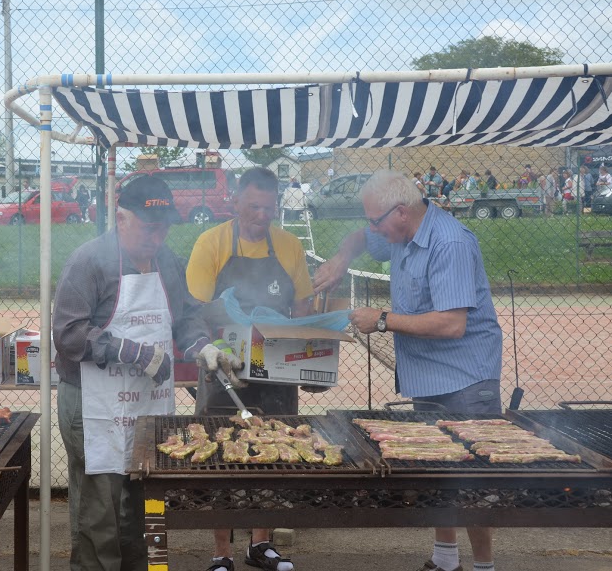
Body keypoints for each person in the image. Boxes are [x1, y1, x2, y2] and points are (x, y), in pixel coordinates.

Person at [313, 170, 503, 571]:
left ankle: (485, 566)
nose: (371, 229)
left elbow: (452, 324)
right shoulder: (399, 230)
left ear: (400, 212)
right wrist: (341, 258)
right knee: (437, 468)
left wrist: (382, 318)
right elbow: (360, 239)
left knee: (472, 482)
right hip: (428, 376)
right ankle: (445, 559)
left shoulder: (449, 242)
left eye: (375, 220)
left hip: (465, 379)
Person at [53, 176, 233, 571]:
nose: (158, 236)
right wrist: (130, 351)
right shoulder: (89, 261)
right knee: (100, 514)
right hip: (94, 405)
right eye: (150, 227)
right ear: (121, 218)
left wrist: (202, 344)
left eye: (165, 226)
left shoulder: (167, 260)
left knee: (142, 502)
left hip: (147, 404)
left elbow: (185, 316)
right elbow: (67, 334)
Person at [186, 167, 316, 571]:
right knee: (222, 457)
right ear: (236, 202)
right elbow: (194, 310)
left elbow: (303, 307)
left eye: (269, 206)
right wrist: (219, 351)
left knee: (274, 455)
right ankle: (221, 552)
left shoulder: (290, 245)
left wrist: (305, 354)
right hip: (224, 370)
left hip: (275, 371)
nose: (262, 215)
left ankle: (261, 545)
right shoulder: (211, 243)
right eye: (254, 206)